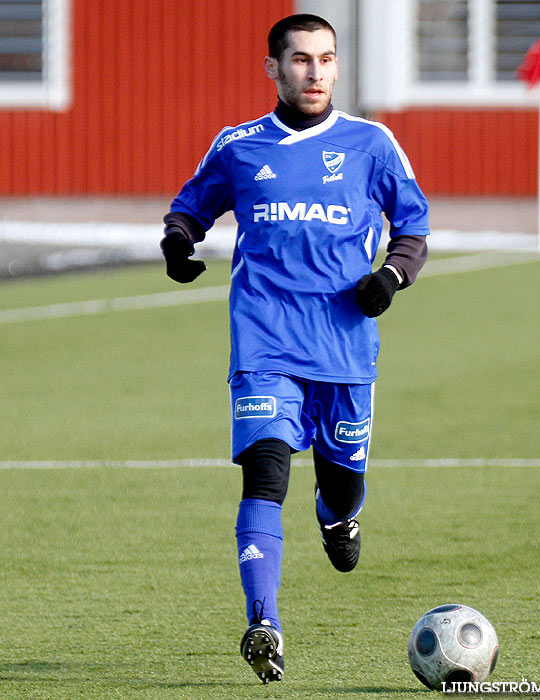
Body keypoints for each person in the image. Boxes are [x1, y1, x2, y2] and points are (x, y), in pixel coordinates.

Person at [160, 13, 429, 684]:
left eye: (326, 59)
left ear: (337, 67)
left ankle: (337, 520)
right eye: (302, 59)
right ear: (273, 68)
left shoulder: (371, 143)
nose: (315, 72)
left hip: (343, 347)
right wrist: (177, 243)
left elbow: (414, 228)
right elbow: (191, 206)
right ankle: (264, 623)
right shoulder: (240, 145)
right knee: (266, 475)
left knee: (340, 487)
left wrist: (389, 279)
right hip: (265, 342)